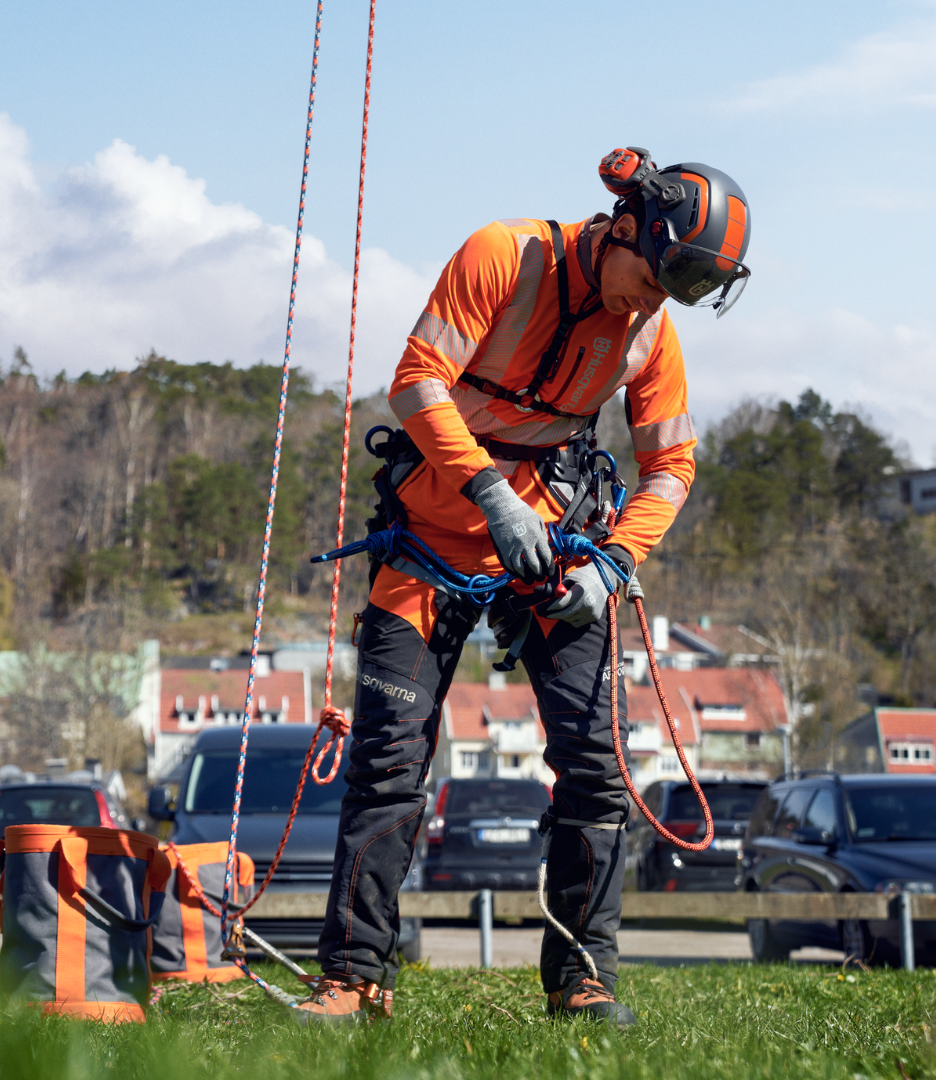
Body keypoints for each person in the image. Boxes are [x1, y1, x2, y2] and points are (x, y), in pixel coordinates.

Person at [292, 148, 751, 1026]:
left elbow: (672, 465)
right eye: (651, 279)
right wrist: (491, 493)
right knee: (388, 763)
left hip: (557, 550)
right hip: (429, 536)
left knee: (596, 767)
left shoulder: (652, 329)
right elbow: (416, 381)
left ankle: (584, 981)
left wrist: (617, 561)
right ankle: (354, 979)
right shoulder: (503, 255)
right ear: (624, 227)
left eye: (672, 293)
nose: (649, 303)